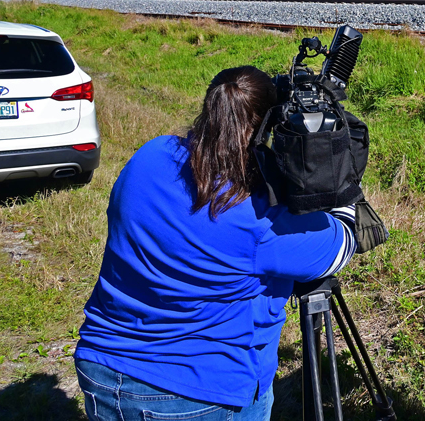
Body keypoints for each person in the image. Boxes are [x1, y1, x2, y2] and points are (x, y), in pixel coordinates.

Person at [74, 66, 357, 421]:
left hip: (102, 366)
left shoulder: (149, 156)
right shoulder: (260, 219)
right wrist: (339, 183)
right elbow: (341, 243)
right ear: (268, 129)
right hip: (194, 395)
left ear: (210, 109)